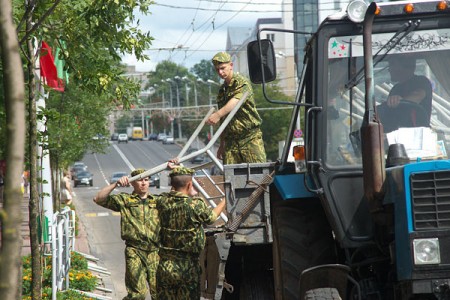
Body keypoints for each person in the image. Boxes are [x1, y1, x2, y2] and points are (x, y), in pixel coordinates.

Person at [156, 164, 226, 300]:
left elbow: (173, 191)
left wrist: (177, 177)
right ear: (189, 185)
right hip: (188, 269)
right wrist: (225, 200)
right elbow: (211, 218)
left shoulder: (162, 201)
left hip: (165, 266)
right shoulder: (196, 205)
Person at [93, 169, 159, 300]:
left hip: (155, 251)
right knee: (137, 294)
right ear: (133, 183)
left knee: (159, 292)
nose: (144, 183)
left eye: (146, 180)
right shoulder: (125, 200)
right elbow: (98, 199)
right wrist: (115, 184)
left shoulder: (158, 201)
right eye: (140, 180)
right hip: (135, 250)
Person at [206, 51, 266, 164]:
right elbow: (224, 121)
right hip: (231, 142)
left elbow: (235, 102)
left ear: (231, 65)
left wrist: (218, 114)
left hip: (250, 137)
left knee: (258, 175)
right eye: (217, 69)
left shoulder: (242, 83)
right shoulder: (222, 91)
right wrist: (222, 144)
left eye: (223, 68)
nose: (220, 72)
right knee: (231, 177)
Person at [379, 55, 432, 133]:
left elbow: (418, 95)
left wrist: (400, 101)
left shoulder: (421, 81)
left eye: (392, 64)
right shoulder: (395, 89)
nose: (389, 69)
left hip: (419, 135)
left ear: (405, 66)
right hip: (397, 134)